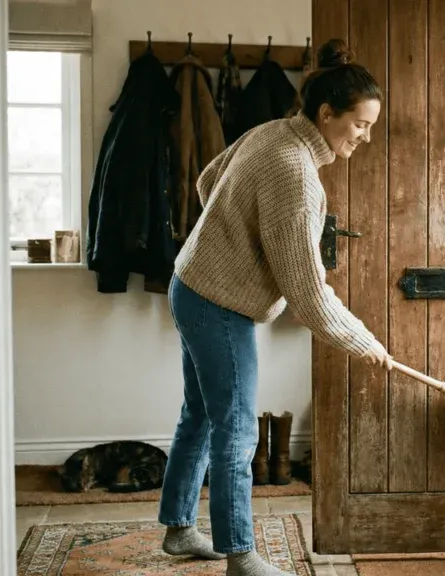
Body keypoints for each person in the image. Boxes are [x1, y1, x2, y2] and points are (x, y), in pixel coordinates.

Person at [156, 38, 392, 576]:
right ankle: (240, 555)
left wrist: (233, 240)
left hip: (190, 283)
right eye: (359, 124)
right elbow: (309, 294)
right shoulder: (296, 174)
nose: (366, 136)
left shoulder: (272, 131)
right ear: (327, 114)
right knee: (236, 428)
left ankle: (178, 529)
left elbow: (207, 180)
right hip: (217, 305)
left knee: (201, 413)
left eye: (370, 125)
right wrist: (366, 342)